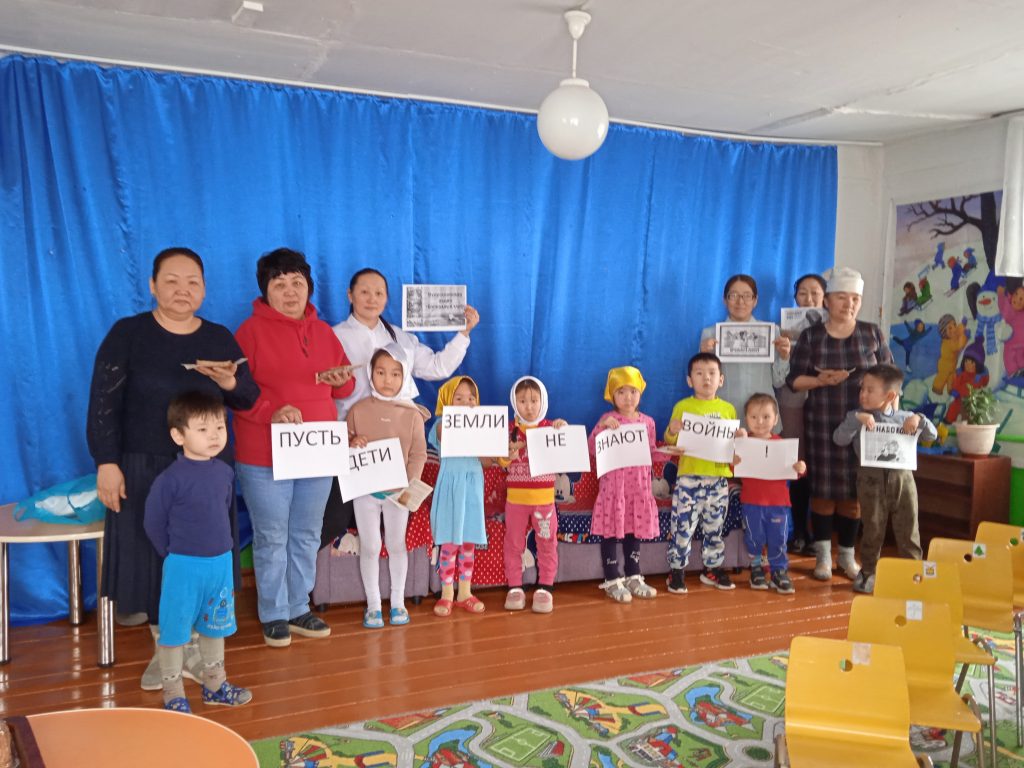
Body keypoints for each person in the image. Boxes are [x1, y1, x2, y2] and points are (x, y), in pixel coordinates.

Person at [87, 247, 258, 690]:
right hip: (144, 469)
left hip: (208, 473)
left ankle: (198, 654)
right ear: (152, 285)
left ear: (204, 288)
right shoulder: (128, 334)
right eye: (172, 281)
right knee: (154, 560)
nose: (183, 290)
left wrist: (227, 380)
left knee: (207, 557)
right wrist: (107, 463)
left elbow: (247, 397)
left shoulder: (218, 337)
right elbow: (103, 404)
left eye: (193, 282)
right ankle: (167, 652)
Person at [233, 248, 355, 647]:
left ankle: (299, 606)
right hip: (262, 454)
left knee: (306, 532)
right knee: (271, 535)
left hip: (316, 451)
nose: (290, 292)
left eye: (297, 283)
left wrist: (341, 379)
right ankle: (273, 612)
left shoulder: (324, 333)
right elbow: (234, 392)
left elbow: (345, 388)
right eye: (280, 284)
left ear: (309, 288)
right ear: (265, 290)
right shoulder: (248, 332)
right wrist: (270, 412)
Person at [326, 269, 480, 554]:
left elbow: (437, 367)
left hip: (396, 445)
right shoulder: (333, 337)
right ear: (350, 295)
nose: (371, 299)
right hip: (354, 443)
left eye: (379, 293)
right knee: (341, 517)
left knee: (395, 525)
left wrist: (464, 333)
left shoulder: (401, 338)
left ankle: (392, 580)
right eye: (364, 292)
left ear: (387, 298)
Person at [143, 392, 252, 712]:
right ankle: (173, 692)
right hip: (184, 566)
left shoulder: (224, 472)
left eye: (219, 427)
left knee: (215, 625)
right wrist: (172, 553)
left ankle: (215, 685)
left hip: (220, 565)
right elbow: (153, 522)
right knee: (174, 630)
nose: (214, 435)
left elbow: (224, 510)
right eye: (203, 429)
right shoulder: (170, 479)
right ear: (179, 435)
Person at [786, 267, 894, 582]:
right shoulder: (811, 336)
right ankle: (822, 556)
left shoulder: (872, 333)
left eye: (855, 299)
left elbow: (891, 378)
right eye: (842, 298)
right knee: (822, 492)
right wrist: (821, 380)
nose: (849, 305)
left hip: (865, 426)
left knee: (854, 494)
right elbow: (794, 380)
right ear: (828, 301)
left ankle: (847, 556)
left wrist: (891, 410)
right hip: (822, 421)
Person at [832, 364, 937, 593]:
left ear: (890, 396)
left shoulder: (905, 418)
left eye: (870, 390)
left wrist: (919, 419)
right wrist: (856, 420)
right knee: (872, 528)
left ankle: (914, 575)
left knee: (909, 528)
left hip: (903, 481)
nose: (863, 394)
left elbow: (932, 434)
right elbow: (839, 438)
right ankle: (868, 572)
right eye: (862, 389)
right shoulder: (857, 416)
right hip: (870, 481)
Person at [346, 344, 429, 628]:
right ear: (371, 373)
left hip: (398, 494)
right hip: (365, 493)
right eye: (380, 372)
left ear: (404, 376)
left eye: (395, 373)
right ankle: (373, 605)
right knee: (370, 546)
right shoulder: (358, 410)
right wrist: (352, 443)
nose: (387, 379)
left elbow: (418, 454)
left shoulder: (412, 414)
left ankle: (397, 603)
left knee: (396, 545)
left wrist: (408, 485)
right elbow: (344, 443)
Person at [663, 352, 737, 594]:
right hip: (689, 479)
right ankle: (676, 571)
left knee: (715, 526)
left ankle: (712, 568)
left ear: (721, 379)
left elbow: (732, 446)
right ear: (689, 380)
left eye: (712, 373)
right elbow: (671, 441)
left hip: (718, 479)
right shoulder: (683, 407)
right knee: (682, 526)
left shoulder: (728, 410)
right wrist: (672, 430)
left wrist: (740, 442)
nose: (706, 378)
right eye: (699, 373)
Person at [588, 366, 660, 603]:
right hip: (614, 489)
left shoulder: (648, 422)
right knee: (610, 531)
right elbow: (592, 449)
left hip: (638, 489)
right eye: (621, 392)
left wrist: (670, 452)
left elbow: (651, 452)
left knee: (634, 531)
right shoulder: (608, 420)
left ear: (640, 393)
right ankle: (611, 578)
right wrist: (602, 427)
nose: (628, 397)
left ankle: (633, 574)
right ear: (612, 395)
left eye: (633, 391)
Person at [502, 376, 566, 613]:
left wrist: (563, 429)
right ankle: (514, 587)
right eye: (522, 401)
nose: (528, 406)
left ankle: (545, 587)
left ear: (542, 402)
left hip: (544, 502)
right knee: (513, 543)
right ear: (514, 402)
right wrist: (507, 454)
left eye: (533, 400)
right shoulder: (509, 430)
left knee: (547, 543)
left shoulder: (549, 428)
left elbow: (565, 448)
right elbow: (501, 461)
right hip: (516, 501)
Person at [732, 393, 805, 594]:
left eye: (766, 416)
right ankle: (756, 569)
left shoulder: (782, 444)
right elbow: (732, 469)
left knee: (778, 539)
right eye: (754, 417)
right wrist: (733, 461)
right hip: (751, 503)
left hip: (778, 504)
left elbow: (795, 472)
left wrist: (800, 468)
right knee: (753, 538)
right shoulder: (743, 444)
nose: (760, 422)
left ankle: (779, 572)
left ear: (776, 419)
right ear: (746, 418)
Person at [428, 375, 488, 617]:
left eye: (471, 398)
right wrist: (458, 417)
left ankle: (465, 592)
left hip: (472, 485)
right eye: (459, 398)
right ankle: (446, 594)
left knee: (468, 541)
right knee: (449, 542)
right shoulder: (441, 423)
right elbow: (442, 434)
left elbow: (487, 458)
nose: (466, 403)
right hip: (451, 486)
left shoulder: (482, 425)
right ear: (446, 401)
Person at [699, 274, 791, 430]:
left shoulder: (771, 332)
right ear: (724, 300)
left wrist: (784, 356)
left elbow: (778, 382)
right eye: (733, 295)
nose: (740, 301)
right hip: (724, 416)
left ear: (755, 300)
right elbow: (701, 384)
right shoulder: (710, 334)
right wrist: (703, 355)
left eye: (747, 296)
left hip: (763, 418)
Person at [776, 273, 826, 555]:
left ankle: (820, 533)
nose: (809, 298)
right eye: (803, 293)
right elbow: (778, 373)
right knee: (797, 465)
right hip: (791, 399)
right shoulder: (782, 329)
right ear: (795, 297)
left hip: (825, 400)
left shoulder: (834, 328)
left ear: (825, 298)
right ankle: (799, 532)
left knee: (821, 464)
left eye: (815, 293)